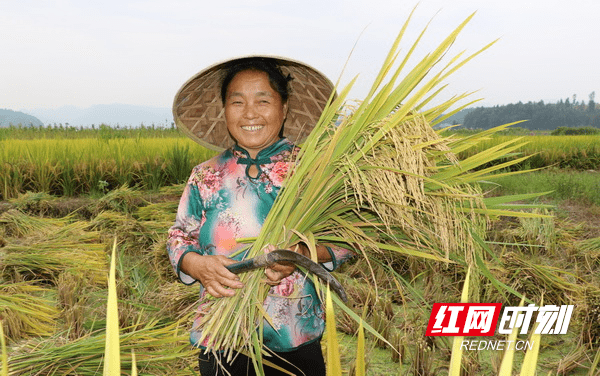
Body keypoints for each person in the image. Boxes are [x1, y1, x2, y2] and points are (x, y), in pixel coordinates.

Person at [168, 56, 354, 375]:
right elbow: (178, 235)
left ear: (284, 109)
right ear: (225, 110)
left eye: (263, 100)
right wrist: (196, 264)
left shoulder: (315, 171)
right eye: (237, 102)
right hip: (222, 336)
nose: (250, 113)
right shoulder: (205, 175)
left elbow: (345, 239)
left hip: (294, 333)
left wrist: (300, 254)